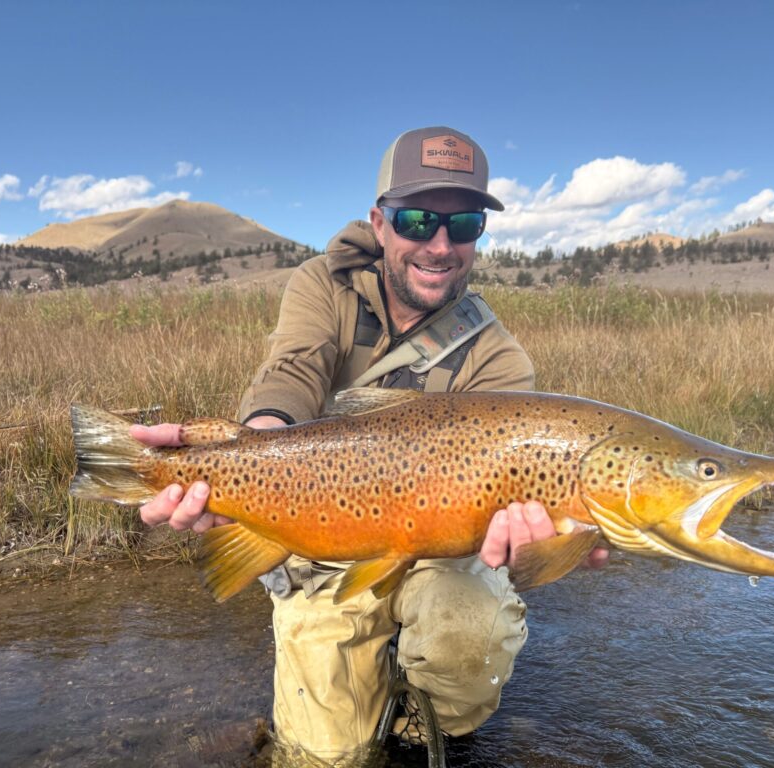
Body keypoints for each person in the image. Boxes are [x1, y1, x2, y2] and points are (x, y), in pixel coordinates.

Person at [131, 126, 606, 763]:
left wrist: (543, 549)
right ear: (379, 223)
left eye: (463, 224)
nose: (440, 245)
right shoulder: (322, 285)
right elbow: (292, 370)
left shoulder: (497, 357)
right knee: (326, 758)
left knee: (474, 635)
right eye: (417, 220)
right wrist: (254, 453)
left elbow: (510, 517)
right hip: (313, 533)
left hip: (437, 556)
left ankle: (420, 729)